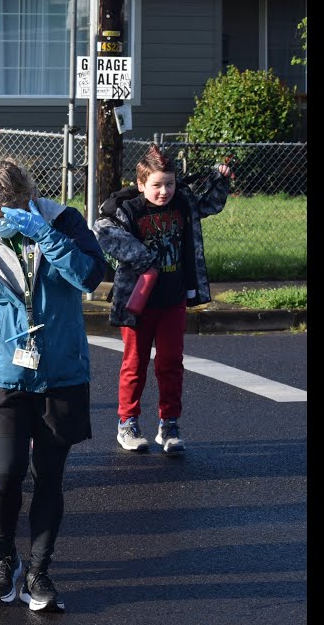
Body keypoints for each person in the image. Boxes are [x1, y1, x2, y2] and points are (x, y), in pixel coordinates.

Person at [0, 158, 106, 611]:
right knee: (9, 471)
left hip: (61, 375)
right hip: (3, 376)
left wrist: (42, 234)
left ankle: (40, 570)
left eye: (1, 215)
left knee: (50, 476)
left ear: (24, 201)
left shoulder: (64, 222)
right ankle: (3, 560)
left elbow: (90, 276)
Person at [93, 145, 232, 455]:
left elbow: (210, 204)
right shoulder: (128, 210)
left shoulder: (183, 203)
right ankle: (127, 422)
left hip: (173, 298)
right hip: (138, 301)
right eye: (156, 184)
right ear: (141, 184)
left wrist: (221, 180)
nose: (164, 191)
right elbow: (102, 232)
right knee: (135, 363)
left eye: (169, 183)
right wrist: (143, 258)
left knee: (171, 363)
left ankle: (169, 424)